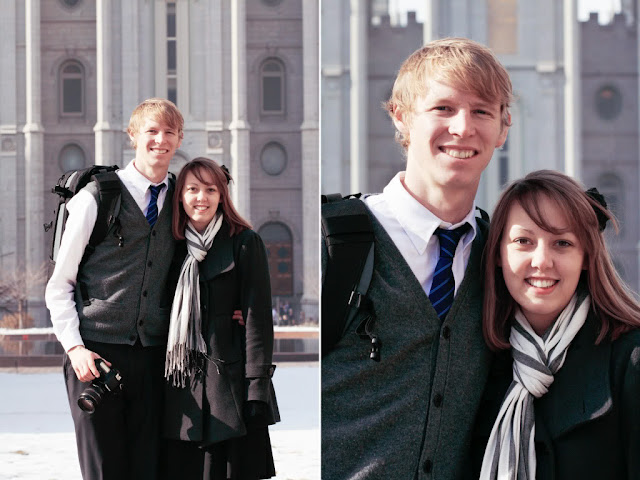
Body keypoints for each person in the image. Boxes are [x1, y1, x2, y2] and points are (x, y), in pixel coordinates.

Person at [321, 37, 512, 479]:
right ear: (401, 116)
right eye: (443, 108)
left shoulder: (502, 258)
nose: (462, 128)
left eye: (482, 111)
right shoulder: (334, 241)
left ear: (503, 128)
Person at [468, 170, 640, 479]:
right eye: (523, 241)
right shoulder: (476, 360)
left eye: (562, 243)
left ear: (586, 256)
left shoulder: (630, 360)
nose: (542, 261)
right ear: (498, 253)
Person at [45, 98, 184, 479]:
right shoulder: (97, 198)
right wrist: (75, 348)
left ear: (179, 139)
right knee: (104, 471)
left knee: (148, 470)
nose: (160, 140)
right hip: (96, 354)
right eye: (151, 131)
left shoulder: (180, 198)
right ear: (133, 136)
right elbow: (60, 284)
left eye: (169, 132)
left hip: (153, 357)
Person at [161, 157, 279, 479]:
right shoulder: (169, 247)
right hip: (180, 390)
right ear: (180, 196)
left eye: (211, 190)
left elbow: (257, 321)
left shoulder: (244, 242)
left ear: (222, 195)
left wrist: (257, 388)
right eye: (193, 189)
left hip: (229, 389)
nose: (201, 198)